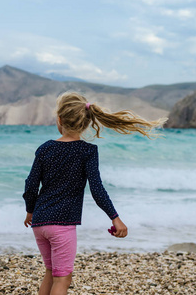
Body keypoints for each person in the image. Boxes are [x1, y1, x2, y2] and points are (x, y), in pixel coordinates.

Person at [22, 92, 167, 295]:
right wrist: (115, 218)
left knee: (50, 272)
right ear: (87, 124)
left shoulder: (45, 149)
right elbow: (97, 189)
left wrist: (30, 211)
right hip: (62, 225)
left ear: (60, 120)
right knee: (62, 278)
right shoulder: (87, 151)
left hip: (40, 222)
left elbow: (30, 185)